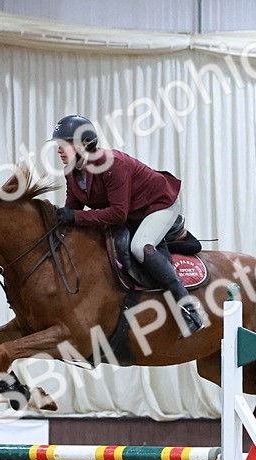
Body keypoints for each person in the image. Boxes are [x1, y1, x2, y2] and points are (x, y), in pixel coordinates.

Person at [50, 114, 204, 335]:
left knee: (140, 247)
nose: (59, 150)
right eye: (58, 145)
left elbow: (117, 214)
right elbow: (73, 209)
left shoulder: (112, 164)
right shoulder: (72, 172)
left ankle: (188, 309)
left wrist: (74, 218)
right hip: (132, 211)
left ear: (85, 143)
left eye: (65, 144)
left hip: (158, 204)